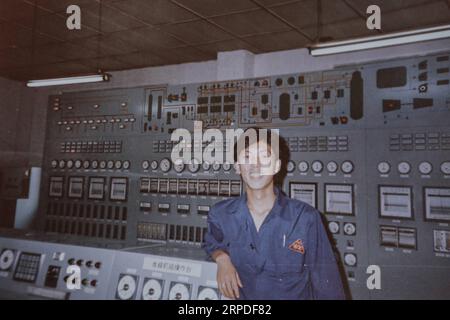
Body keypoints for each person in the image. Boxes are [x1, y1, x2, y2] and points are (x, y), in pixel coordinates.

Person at [202, 128, 345, 300]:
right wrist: (222, 259)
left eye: (264, 156)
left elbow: (328, 288)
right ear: (237, 167)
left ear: (277, 165)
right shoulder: (221, 214)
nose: (255, 165)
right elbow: (211, 242)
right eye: (247, 157)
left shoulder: (305, 218)